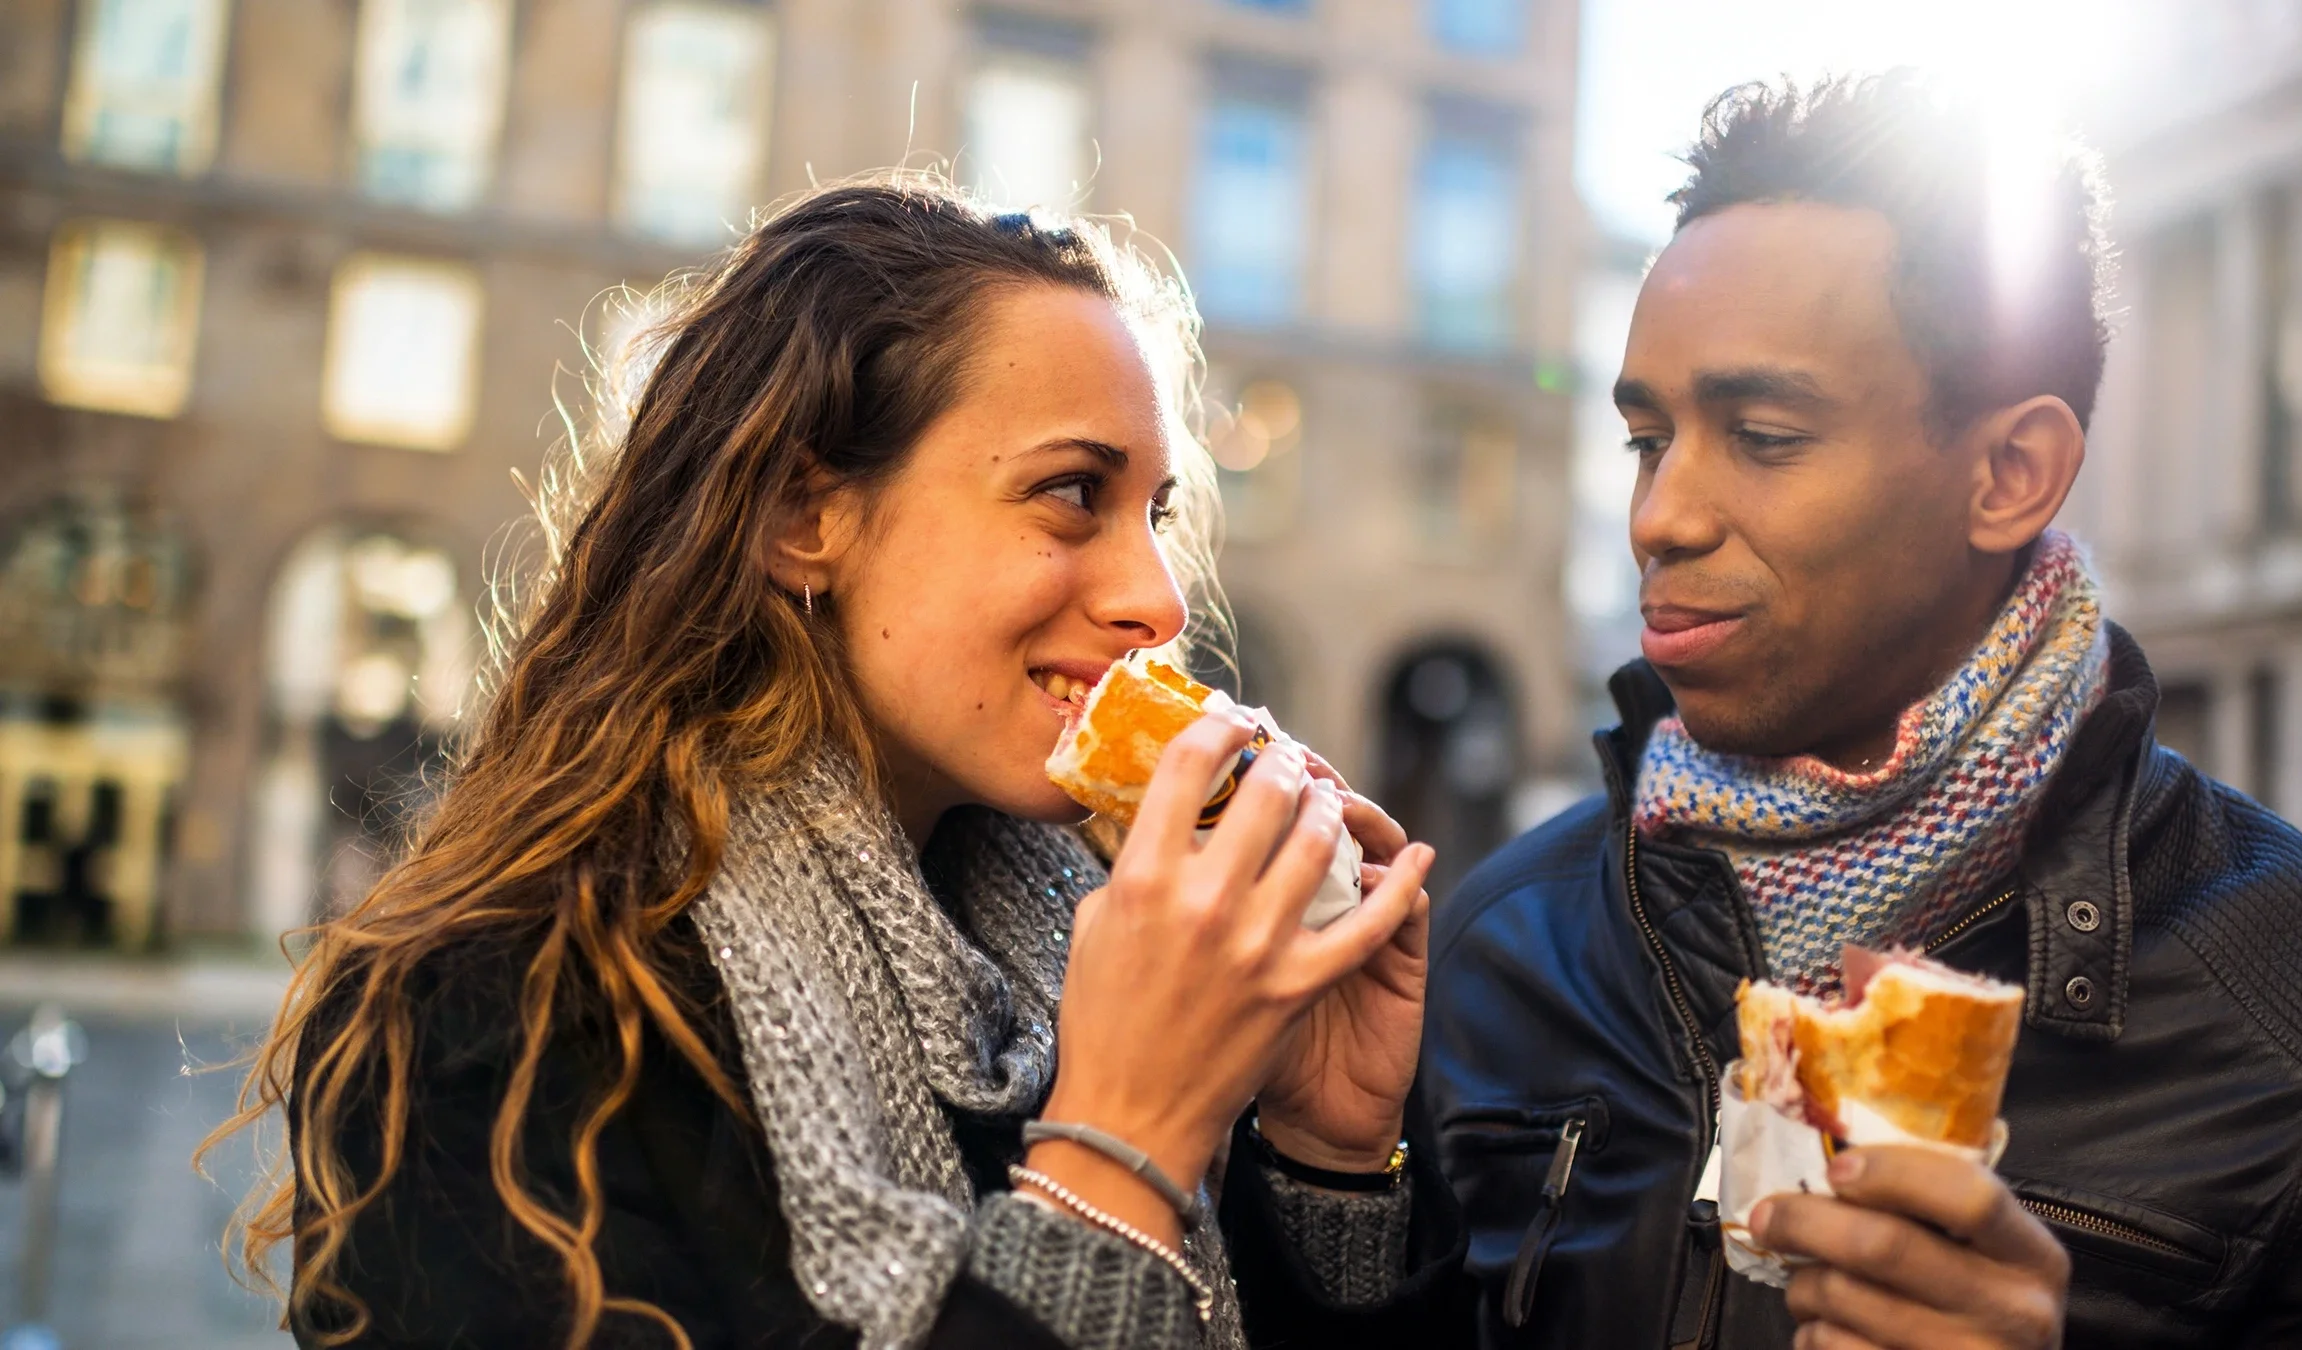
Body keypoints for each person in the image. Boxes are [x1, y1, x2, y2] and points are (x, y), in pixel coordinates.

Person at [1229, 74, 2302, 1349]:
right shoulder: (1501, 940)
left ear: (2011, 472)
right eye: (1647, 440)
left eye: (1764, 436)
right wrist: (1329, 1183)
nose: (1661, 517)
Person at [209, 176, 1444, 1350]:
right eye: (1073, 493)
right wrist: (1117, 1151)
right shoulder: (498, 1006)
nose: (1160, 601)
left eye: (1157, 514)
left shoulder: (1074, 967)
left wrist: (1326, 1157)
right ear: (805, 518)